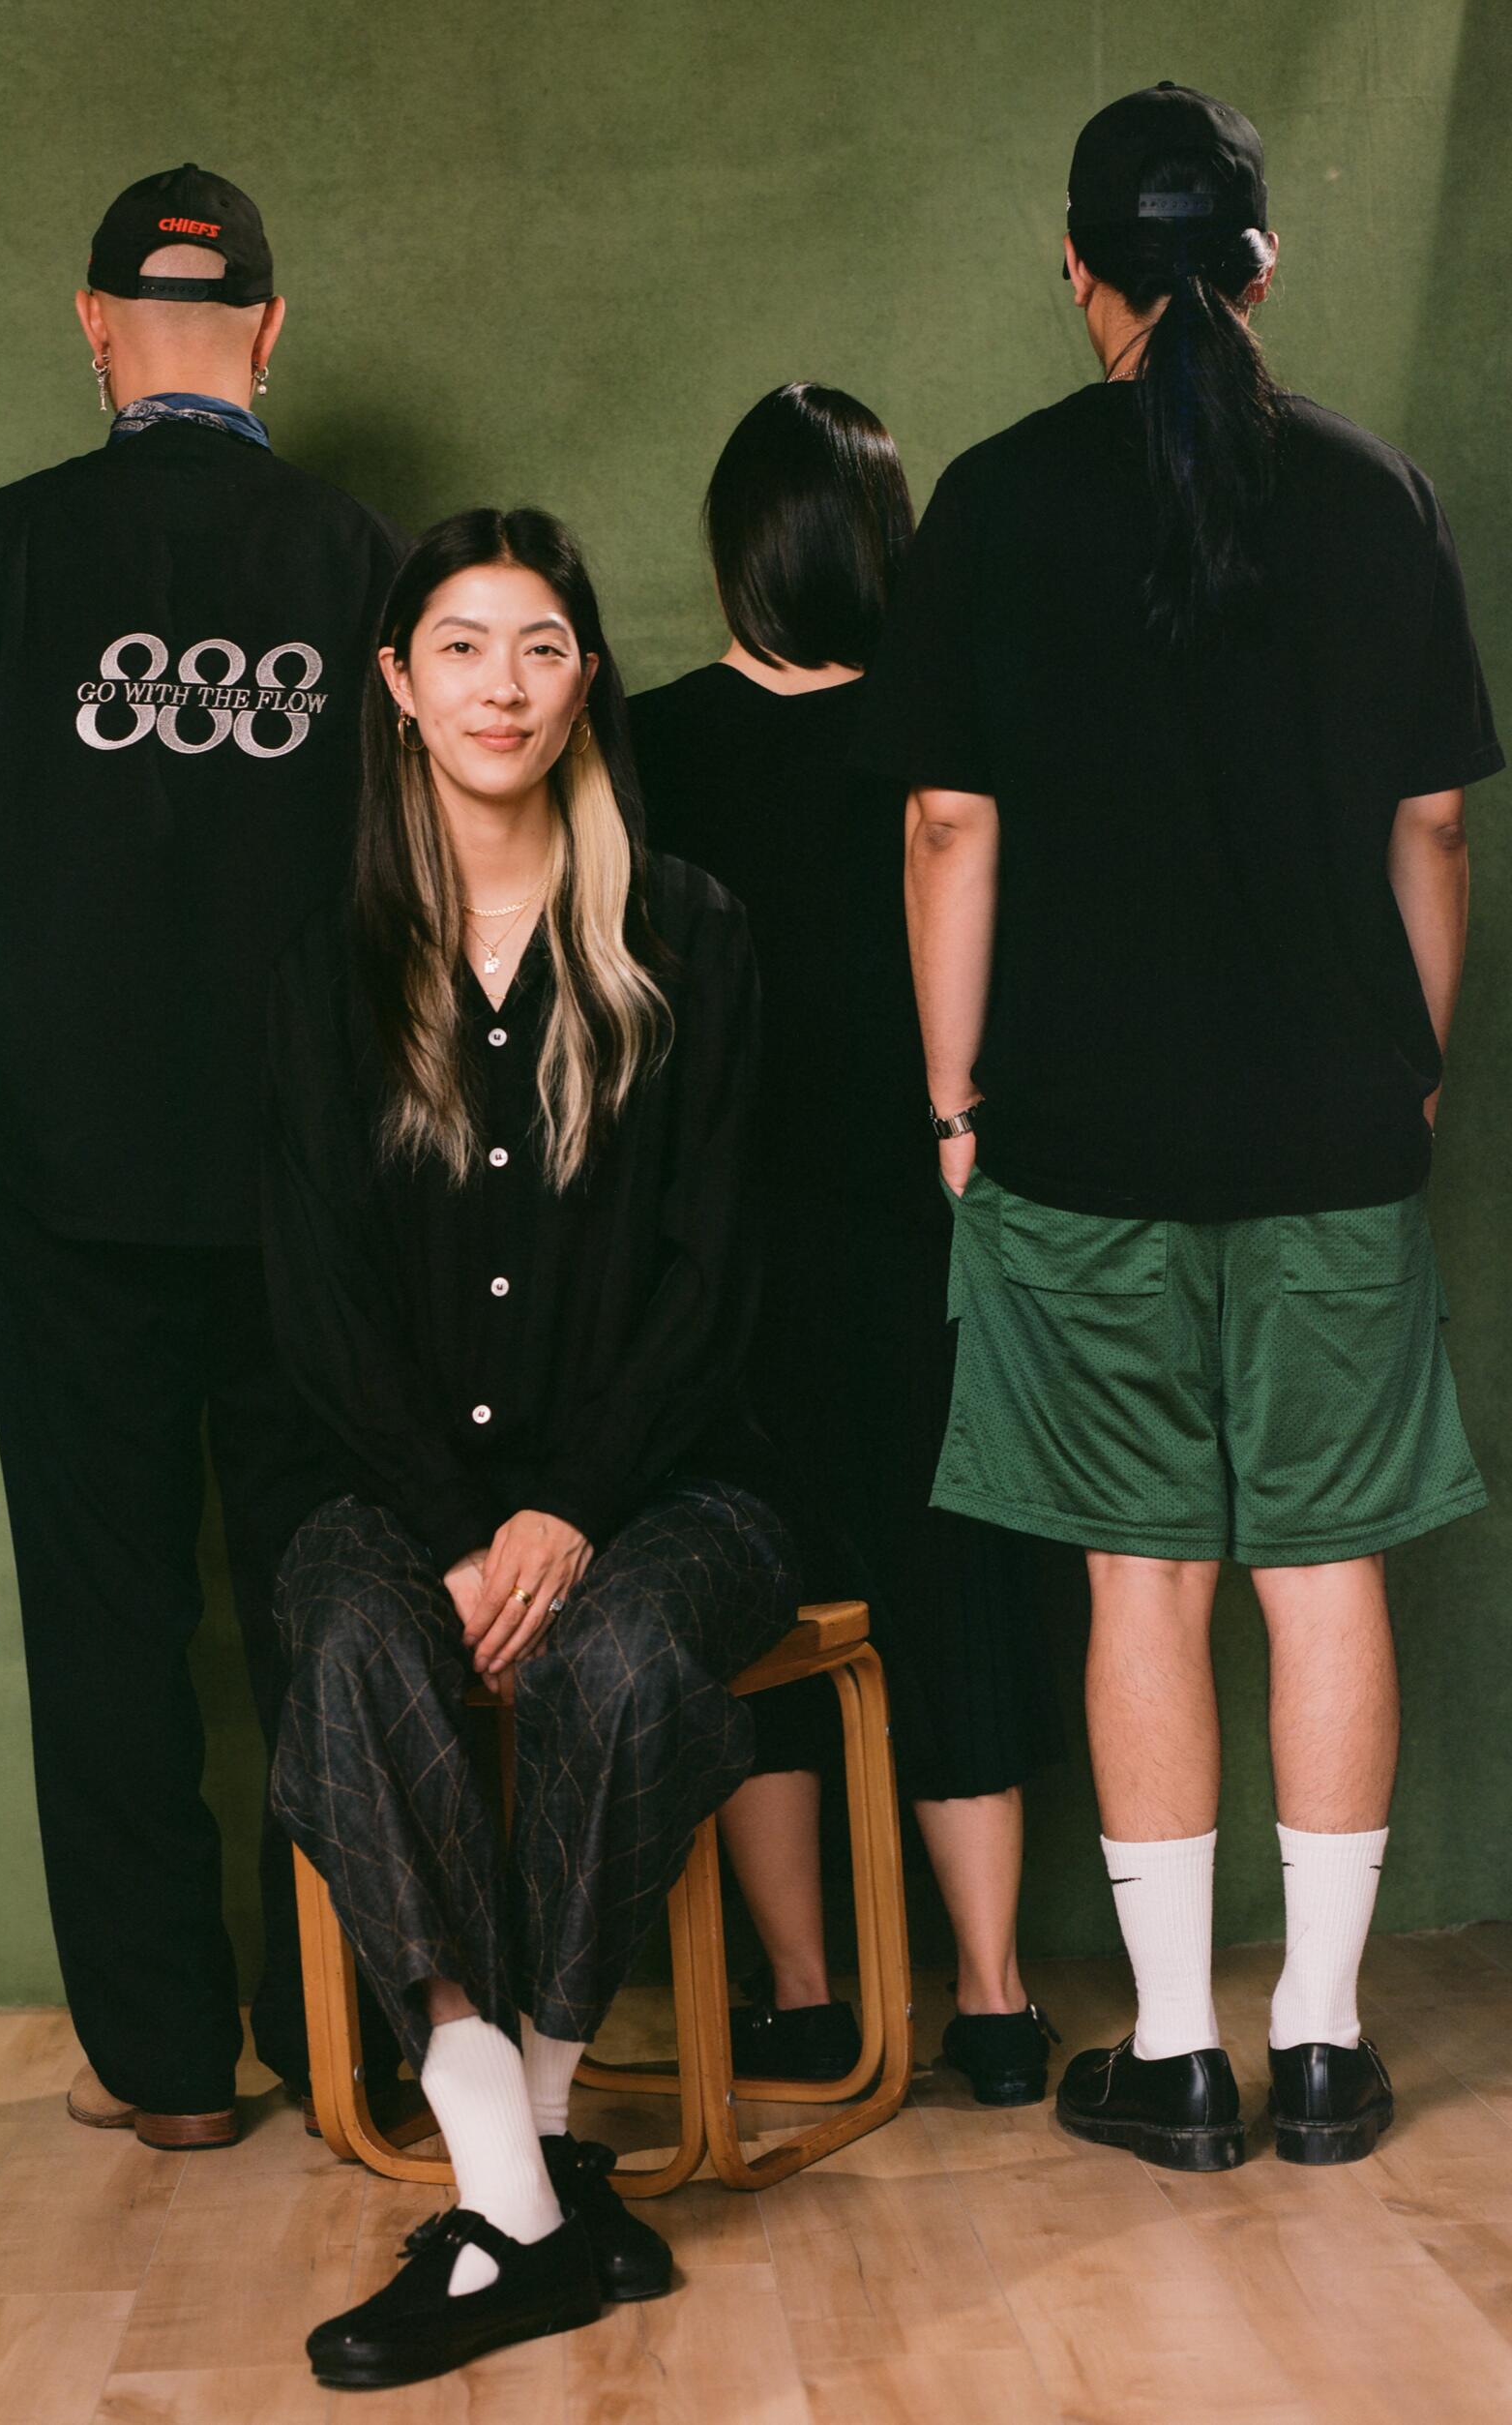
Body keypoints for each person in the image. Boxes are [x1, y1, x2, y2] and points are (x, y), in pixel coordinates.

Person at [875, 82, 1497, 2171]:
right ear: (1258, 264)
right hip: (1330, 1124)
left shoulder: (988, 500)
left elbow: (949, 823)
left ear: (1079, 274)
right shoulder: (1372, 490)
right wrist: (1403, 1058)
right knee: (1323, 1573)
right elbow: (1430, 823)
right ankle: (1320, 2042)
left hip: (1076, 1140)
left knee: (1137, 1582)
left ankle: (1176, 2053)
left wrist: (954, 1100)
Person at [0, 165, 401, 2148]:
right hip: (313, 1186)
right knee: (331, 1598)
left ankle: (166, 2067)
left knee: (102, 1614)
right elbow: (424, 881)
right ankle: (344, 2029)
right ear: (268, 326)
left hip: (69, 1182)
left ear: (88, 323)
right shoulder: (357, 557)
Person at [261, 507, 799, 2388]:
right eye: (464, 645)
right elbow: (317, 1304)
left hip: (666, 1478)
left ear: (585, 685)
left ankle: (512, 2192)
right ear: (399, 687)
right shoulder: (326, 963)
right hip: (389, 1483)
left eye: (543, 644)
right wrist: (459, 1519)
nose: (503, 682)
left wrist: (566, 1503)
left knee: (629, 1649)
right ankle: (527, 2186)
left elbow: (712, 1276)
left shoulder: (691, 940)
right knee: (341, 1636)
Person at [631, 383, 1080, 2107]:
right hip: (933, 1228)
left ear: (735, 547)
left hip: (722, 1258)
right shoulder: (949, 733)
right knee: (960, 1594)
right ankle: (990, 1999)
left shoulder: (648, 746)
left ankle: (808, 1996)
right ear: (890, 544)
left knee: (761, 1611)